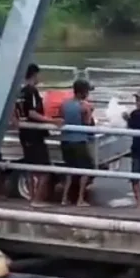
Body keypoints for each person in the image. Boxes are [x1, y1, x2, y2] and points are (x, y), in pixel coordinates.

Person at [16, 63, 62, 207]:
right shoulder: (32, 91)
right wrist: (52, 121)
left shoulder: (20, 91)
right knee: (45, 170)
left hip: (24, 133)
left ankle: (31, 198)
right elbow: (32, 112)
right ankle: (37, 200)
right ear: (34, 75)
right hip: (34, 134)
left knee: (30, 167)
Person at [59, 79, 95, 207]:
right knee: (86, 170)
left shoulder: (64, 104)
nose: (88, 94)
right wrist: (90, 113)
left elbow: (61, 118)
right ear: (82, 93)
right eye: (86, 91)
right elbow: (87, 124)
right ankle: (80, 199)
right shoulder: (84, 107)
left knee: (69, 170)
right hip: (79, 141)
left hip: (65, 141)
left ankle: (64, 198)